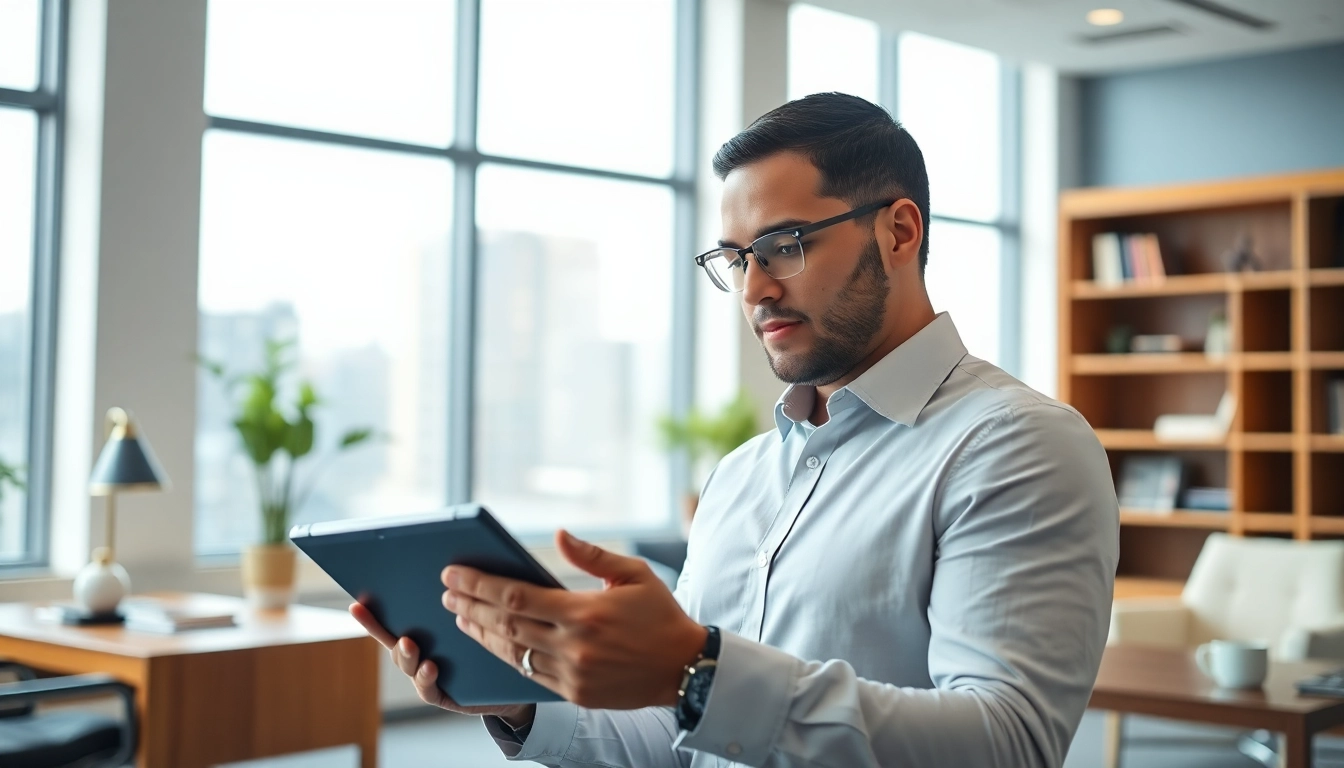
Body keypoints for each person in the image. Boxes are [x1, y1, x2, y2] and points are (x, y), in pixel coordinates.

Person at [351, 92, 1119, 768]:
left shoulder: (1018, 446)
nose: (754, 288)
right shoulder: (744, 474)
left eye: (785, 245)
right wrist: (518, 703)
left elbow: (1007, 745)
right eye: (734, 257)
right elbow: (678, 739)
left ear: (899, 231)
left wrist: (698, 670)